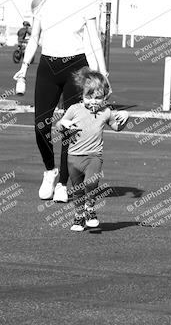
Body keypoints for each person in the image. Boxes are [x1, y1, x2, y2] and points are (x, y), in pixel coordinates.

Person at [13, 0, 109, 204]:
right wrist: (24, 67)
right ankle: (50, 171)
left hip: (76, 69)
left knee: (70, 126)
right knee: (41, 126)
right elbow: (34, 38)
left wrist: (103, 72)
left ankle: (64, 184)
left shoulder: (86, 4)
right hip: (47, 66)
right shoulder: (42, 4)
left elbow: (94, 41)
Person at [56, 67, 129, 231]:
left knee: (92, 182)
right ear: (82, 94)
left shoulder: (106, 112)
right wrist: (63, 124)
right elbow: (59, 125)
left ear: (104, 97)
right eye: (89, 96)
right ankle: (79, 217)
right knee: (77, 190)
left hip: (94, 156)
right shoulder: (74, 109)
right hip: (73, 157)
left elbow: (117, 127)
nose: (93, 101)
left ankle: (90, 209)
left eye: (98, 98)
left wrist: (126, 117)